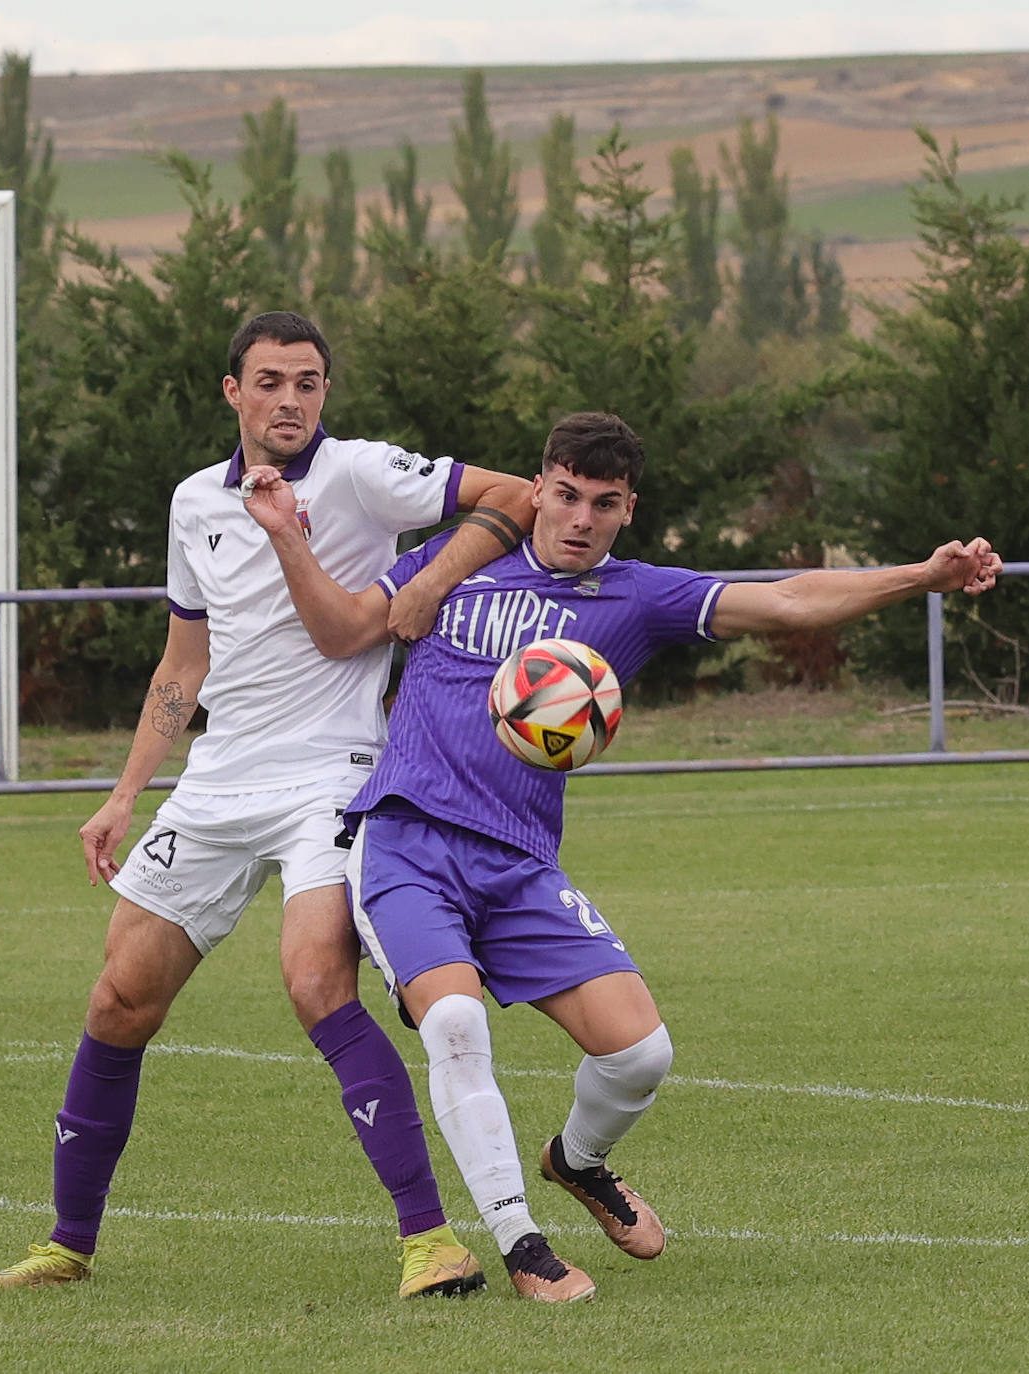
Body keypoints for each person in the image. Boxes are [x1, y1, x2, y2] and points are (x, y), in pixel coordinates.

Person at [241, 409, 1002, 1302]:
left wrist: (923, 576)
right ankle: (522, 1245)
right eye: (563, 495)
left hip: (521, 865)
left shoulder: (638, 597)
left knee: (640, 1055)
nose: (578, 519)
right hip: (407, 838)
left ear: (626, 509)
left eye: (602, 504)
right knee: (455, 1025)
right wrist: (289, 535)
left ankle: (578, 1160)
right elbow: (346, 628)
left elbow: (789, 600)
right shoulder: (462, 563)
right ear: (539, 487)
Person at [0, 311, 538, 1297]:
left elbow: (517, 497)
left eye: (309, 383)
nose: (291, 400)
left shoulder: (363, 473)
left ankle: (432, 1245)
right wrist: (124, 794)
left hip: (331, 773)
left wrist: (426, 584)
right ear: (233, 391)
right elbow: (183, 661)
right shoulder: (195, 500)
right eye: (272, 381)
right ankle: (68, 1245)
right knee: (118, 1000)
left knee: (316, 984)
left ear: (326, 393)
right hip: (216, 782)